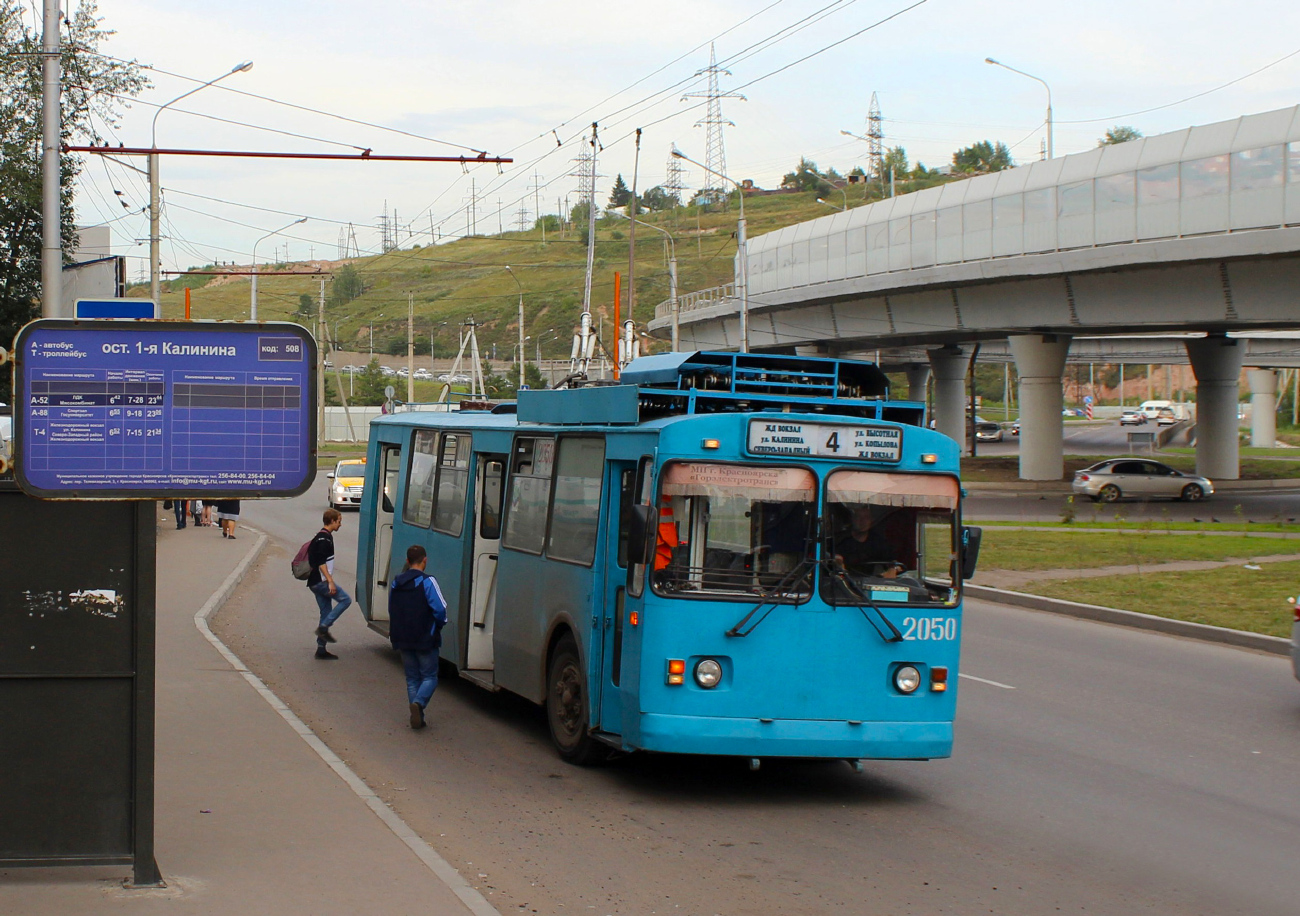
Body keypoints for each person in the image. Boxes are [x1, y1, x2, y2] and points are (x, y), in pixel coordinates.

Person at [388, 544, 448, 729]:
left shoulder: (396, 582)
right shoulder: (428, 581)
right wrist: (438, 625)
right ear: (425, 560)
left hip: (402, 636)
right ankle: (419, 703)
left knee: (412, 678)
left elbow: (392, 607)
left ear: (407, 561)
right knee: (429, 677)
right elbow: (440, 609)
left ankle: (418, 716)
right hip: (424, 637)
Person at [308, 508, 352, 659]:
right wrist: (330, 582)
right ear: (332, 521)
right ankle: (324, 627)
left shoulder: (323, 536)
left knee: (325, 612)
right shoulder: (324, 539)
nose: (340, 525)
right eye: (339, 522)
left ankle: (321, 649)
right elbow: (321, 562)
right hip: (320, 581)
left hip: (315, 581)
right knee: (346, 600)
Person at [829, 504, 902, 578]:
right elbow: (831, 562)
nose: (862, 521)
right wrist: (838, 563)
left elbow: (892, 561)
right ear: (852, 519)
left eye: (866, 518)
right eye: (858, 517)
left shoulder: (877, 542)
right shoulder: (839, 540)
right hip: (844, 583)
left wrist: (892, 569)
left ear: (871, 520)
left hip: (869, 583)